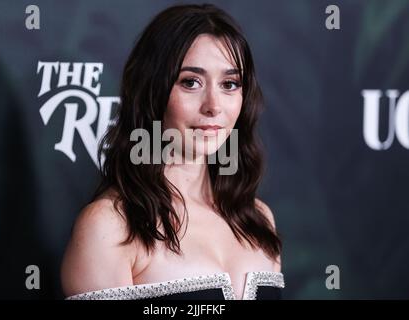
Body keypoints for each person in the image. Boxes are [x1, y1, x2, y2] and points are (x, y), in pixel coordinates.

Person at [61, 3, 284, 300]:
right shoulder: (110, 227)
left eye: (229, 84)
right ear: (153, 91)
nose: (213, 106)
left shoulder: (258, 218)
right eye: (190, 82)